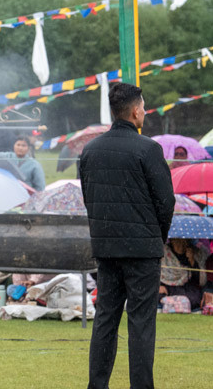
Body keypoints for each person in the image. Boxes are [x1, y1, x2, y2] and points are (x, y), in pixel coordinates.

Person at [79, 82, 175, 389]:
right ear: (135, 111)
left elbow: (89, 197)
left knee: (105, 319)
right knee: (141, 323)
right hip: (142, 250)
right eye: (144, 107)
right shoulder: (148, 149)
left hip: (106, 248)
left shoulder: (90, 151)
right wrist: (155, 237)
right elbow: (166, 201)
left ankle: (98, 385)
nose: (145, 111)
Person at [159, 239, 208, 310]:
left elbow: (200, 280)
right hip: (168, 286)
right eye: (178, 240)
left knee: (195, 298)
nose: (181, 243)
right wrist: (160, 285)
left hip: (187, 288)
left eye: (184, 241)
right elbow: (157, 272)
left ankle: (173, 303)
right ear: (172, 241)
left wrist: (192, 261)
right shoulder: (164, 251)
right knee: (157, 294)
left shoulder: (195, 252)